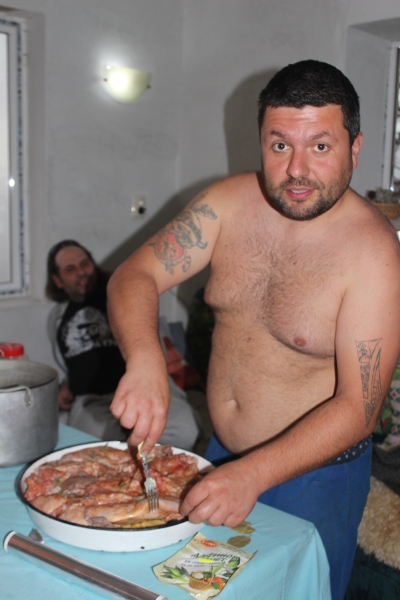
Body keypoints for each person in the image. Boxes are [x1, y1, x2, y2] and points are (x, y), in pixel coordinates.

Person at [106, 60, 400, 600]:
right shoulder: (227, 205)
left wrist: (254, 474)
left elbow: (361, 408)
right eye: (280, 144)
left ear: (354, 148)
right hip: (220, 456)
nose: (296, 170)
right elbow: (134, 275)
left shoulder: (374, 254)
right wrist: (146, 361)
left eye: (320, 146)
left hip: (315, 480)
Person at [45, 239, 200, 449]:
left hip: (143, 386)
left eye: (84, 263)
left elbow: (153, 344)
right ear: (57, 280)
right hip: (93, 400)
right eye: (70, 269)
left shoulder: (123, 294)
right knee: (96, 446)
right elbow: (68, 362)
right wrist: (65, 385)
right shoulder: (57, 319)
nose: (81, 272)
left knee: (184, 430)